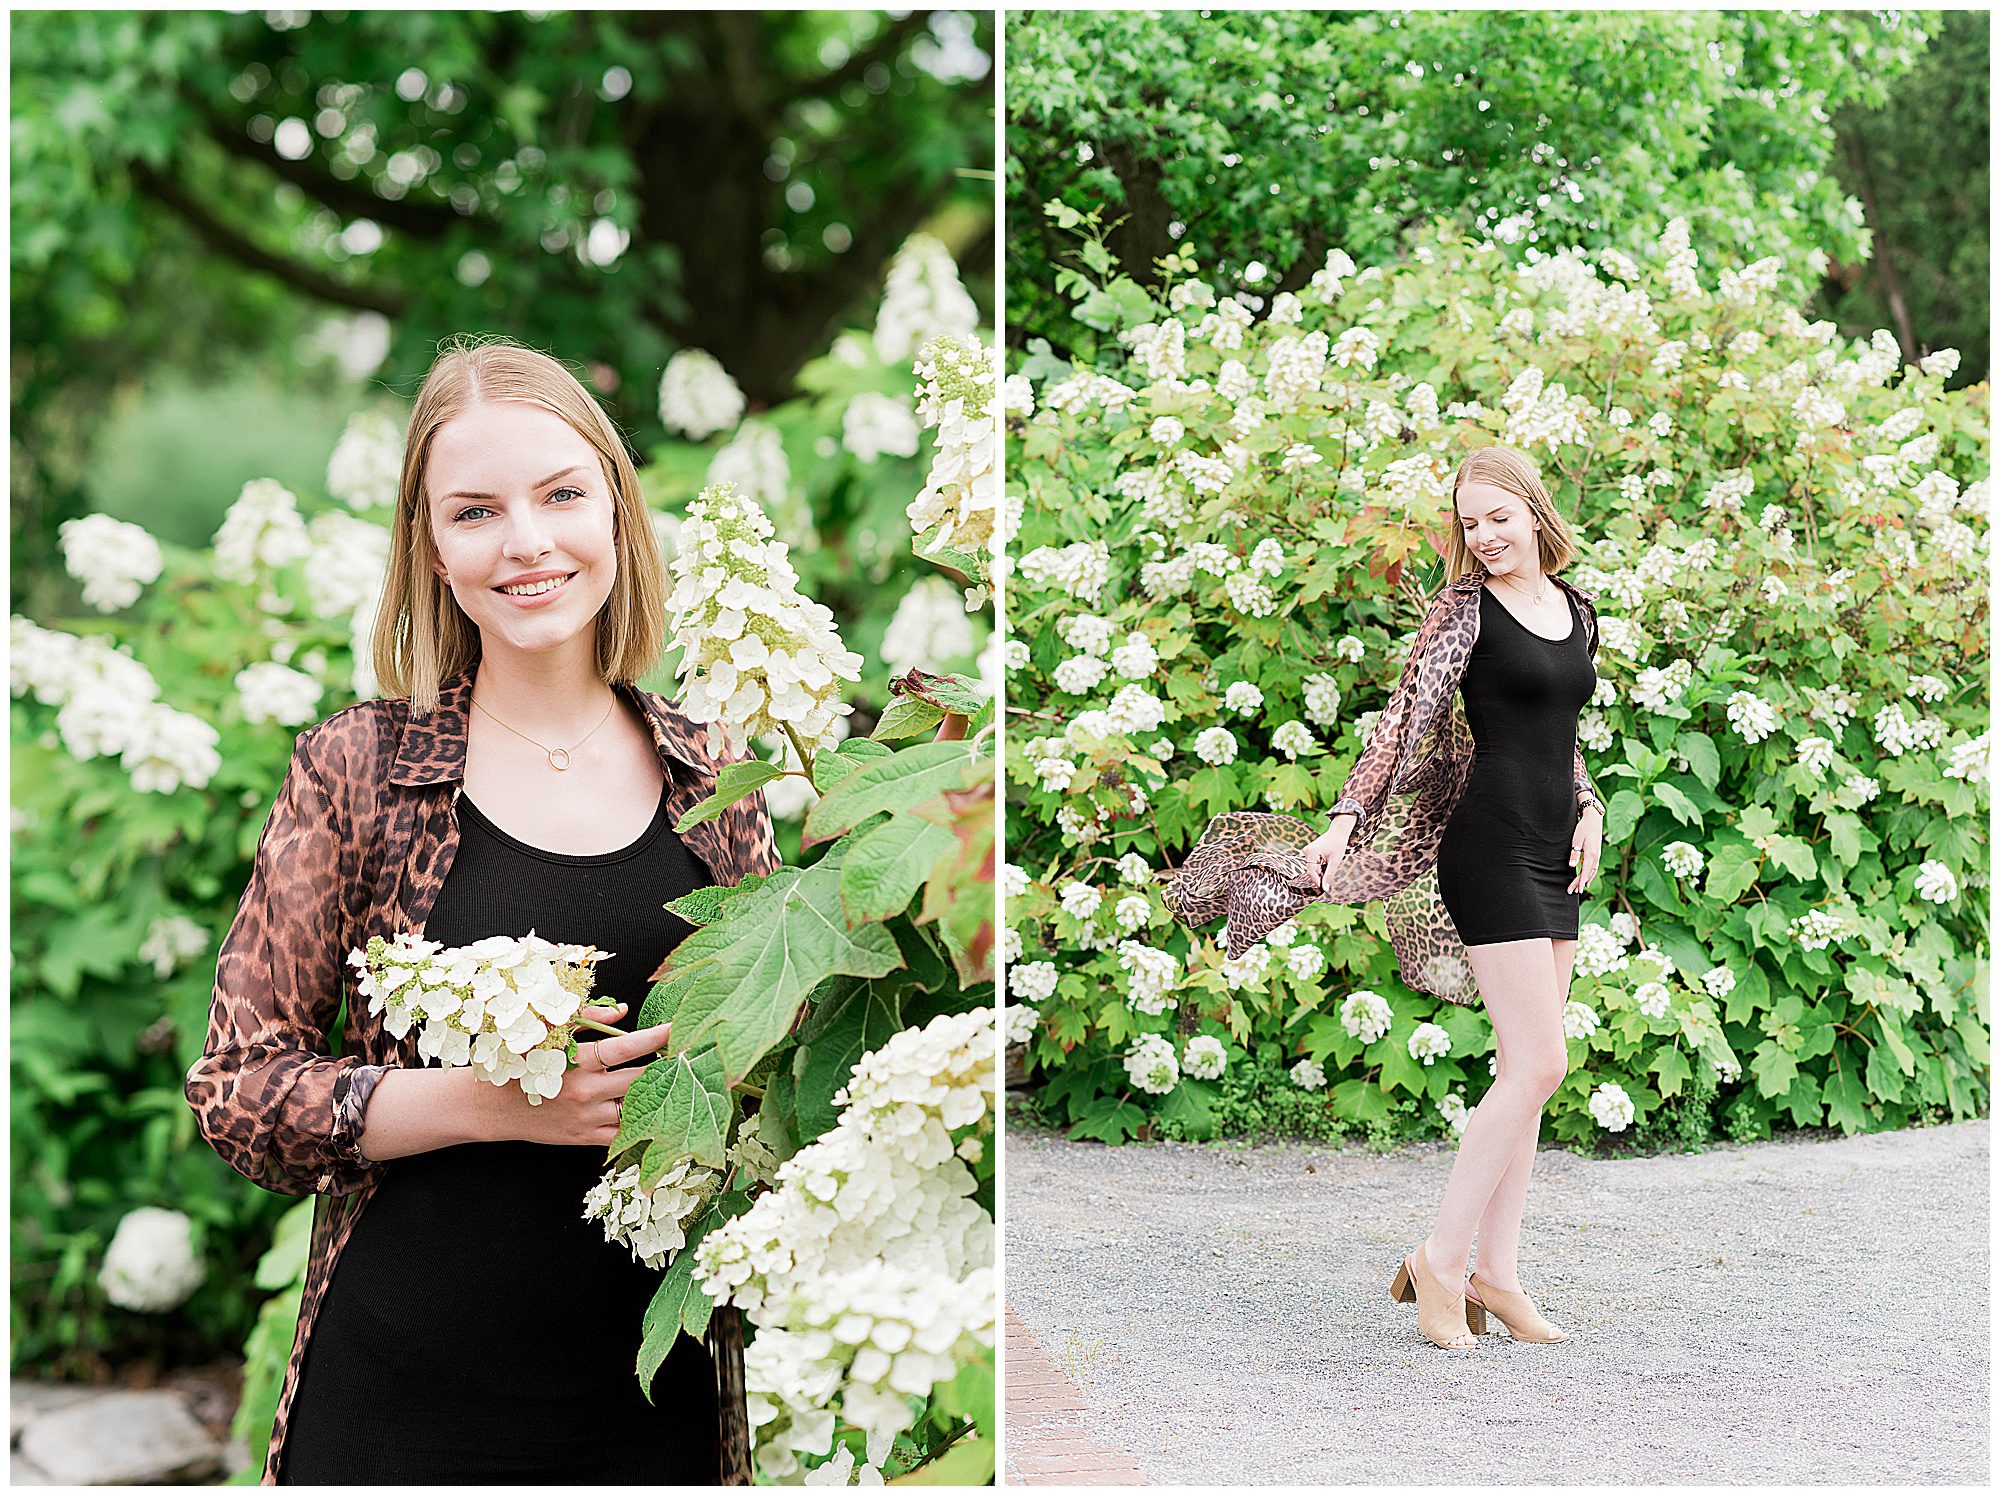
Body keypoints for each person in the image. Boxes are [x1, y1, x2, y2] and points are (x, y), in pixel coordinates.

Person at [185, 336, 779, 1481]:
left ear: (616, 506)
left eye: (561, 493)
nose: (527, 541)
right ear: (431, 546)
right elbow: (238, 1090)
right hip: (401, 1407)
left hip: (652, 1405)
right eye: (474, 511)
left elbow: (777, 1071)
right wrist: (486, 1101)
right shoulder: (356, 771)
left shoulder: (717, 773)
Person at [1301, 443, 1603, 1350]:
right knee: (1540, 1063)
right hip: (1488, 847)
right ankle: (1439, 1261)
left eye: (1498, 518)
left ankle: (1496, 1277)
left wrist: (1588, 801)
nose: (1484, 537)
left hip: (1554, 847)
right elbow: (1402, 724)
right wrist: (1345, 820)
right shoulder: (1461, 613)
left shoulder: (1575, 610)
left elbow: (1560, 729)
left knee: (1530, 1076)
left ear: (1533, 511)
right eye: (1470, 525)